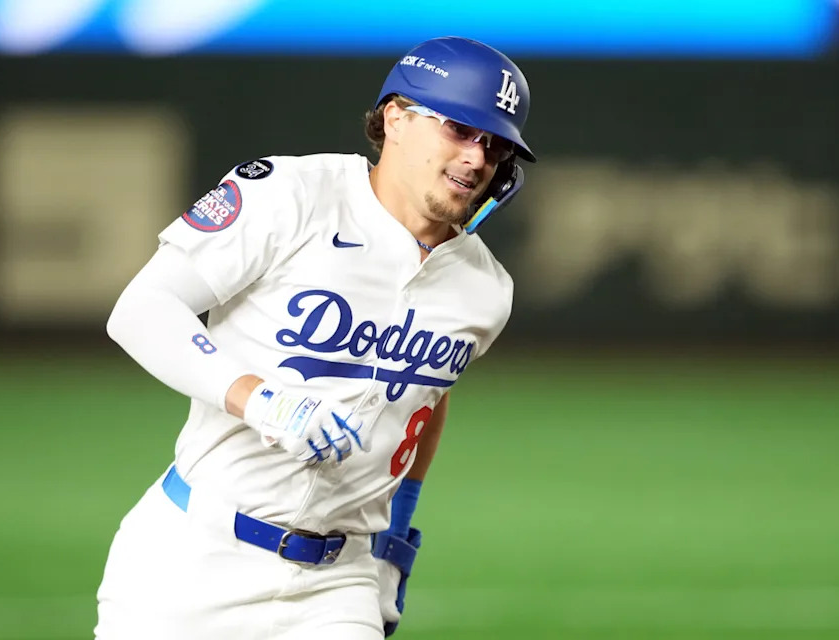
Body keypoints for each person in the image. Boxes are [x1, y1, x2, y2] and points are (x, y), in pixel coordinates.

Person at [94, 35, 536, 640]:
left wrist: (395, 540)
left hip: (338, 583)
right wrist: (264, 401)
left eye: (495, 144)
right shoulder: (292, 194)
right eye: (460, 129)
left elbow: (428, 398)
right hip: (193, 559)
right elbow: (143, 309)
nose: (477, 158)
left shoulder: (485, 288)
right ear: (396, 119)